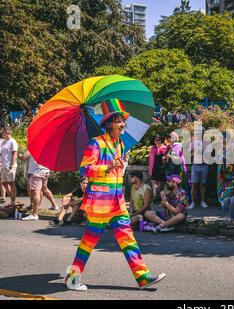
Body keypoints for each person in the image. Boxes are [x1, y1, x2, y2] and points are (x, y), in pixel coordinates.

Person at [65, 98, 165, 292]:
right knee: (89, 241)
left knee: (127, 238)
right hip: (99, 203)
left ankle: (143, 277)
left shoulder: (119, 145)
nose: (123, 124)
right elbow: (85, 170)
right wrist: (108, 166)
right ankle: (72, 278)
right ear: (110, 123)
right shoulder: (96, 144)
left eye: (123, 120)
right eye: (120, 121)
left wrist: (121, 164)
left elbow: (116, 173)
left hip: (117, 203)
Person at [19, 150, 59, 221]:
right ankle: (54, 205)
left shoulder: (34, 147)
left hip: (36, 172)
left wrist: (20, 155)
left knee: (36, 192)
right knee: (44, 188)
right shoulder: (47, 148)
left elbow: (24, 157)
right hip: (45, 171)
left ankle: (34, 214)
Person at [188, 127, 209, 209]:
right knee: (194, 184)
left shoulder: (207, 142)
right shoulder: (193, 142)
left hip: (204, 165)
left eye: (202, 133)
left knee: (203, 184)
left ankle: (202, 201)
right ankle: (193, 202)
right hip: (195, 165)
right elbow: (187, 153)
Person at [1, 127, 18, 205]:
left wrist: (11, 165)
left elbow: (15, 154)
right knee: (4, 183)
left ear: (7, 133)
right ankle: (12, 199)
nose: (1, 134)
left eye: (3, 132)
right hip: (4, 166)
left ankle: (13, 201)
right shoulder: (3, 142)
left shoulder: (12, 142)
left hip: (10, 166)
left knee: (11, 183)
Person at [148, 134, 167, 202]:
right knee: (154, 182)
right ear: (154, 141)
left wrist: (165, 157)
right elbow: (151, 160)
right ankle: (155, 197)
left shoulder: (164, 148)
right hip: (154, 167)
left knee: (160, 184)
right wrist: (150, 169)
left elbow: (167, 158)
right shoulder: (153, 148)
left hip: (161, 168)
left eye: (159, 140)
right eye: (156, 140)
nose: (157, 141)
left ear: (161, 140)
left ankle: (160, 197)